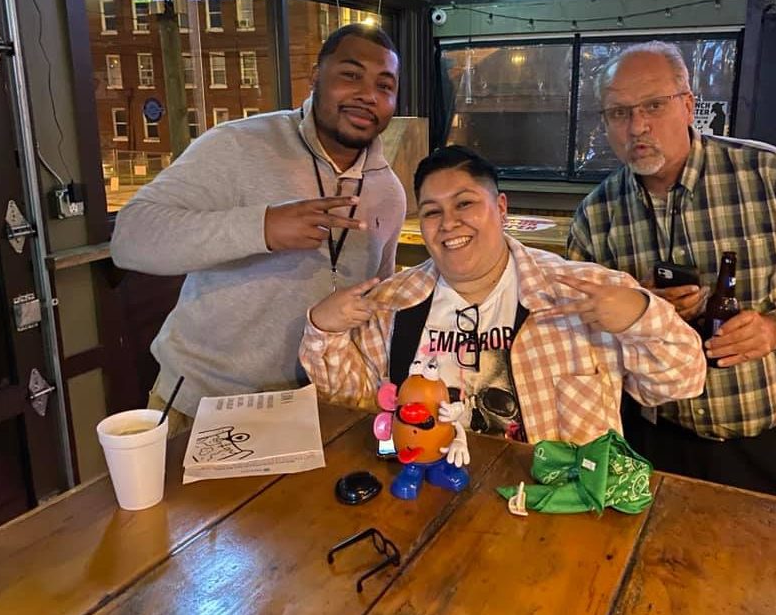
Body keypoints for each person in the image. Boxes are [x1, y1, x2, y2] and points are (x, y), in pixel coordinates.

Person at [567, 41, 776, 501]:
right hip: (653, 441)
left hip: (768, 444)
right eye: (619, 112)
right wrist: (638, 310)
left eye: (654, 105)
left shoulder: (772, 177)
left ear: (688, 105)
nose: (637, 126)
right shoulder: (596, 216)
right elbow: (579, 341)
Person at [299, 146, 706, 445]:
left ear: (501, 207)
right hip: (425, 494)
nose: (448, 223)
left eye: (465, 203)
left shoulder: (581, 291)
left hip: (552, 510)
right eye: (432, 211)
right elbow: (353, 402)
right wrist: (323, 329)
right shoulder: (393, 302)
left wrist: (640, 316)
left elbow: (683, 381)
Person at [111, 24, 405, 433]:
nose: (368, 95)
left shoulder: (388, 194)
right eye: (351, 75)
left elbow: (377, 308)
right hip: (202, 404)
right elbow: (130, 237)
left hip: (317, 410)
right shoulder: (238, 145)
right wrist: (262, 227)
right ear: (315, 77)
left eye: (384, 85)